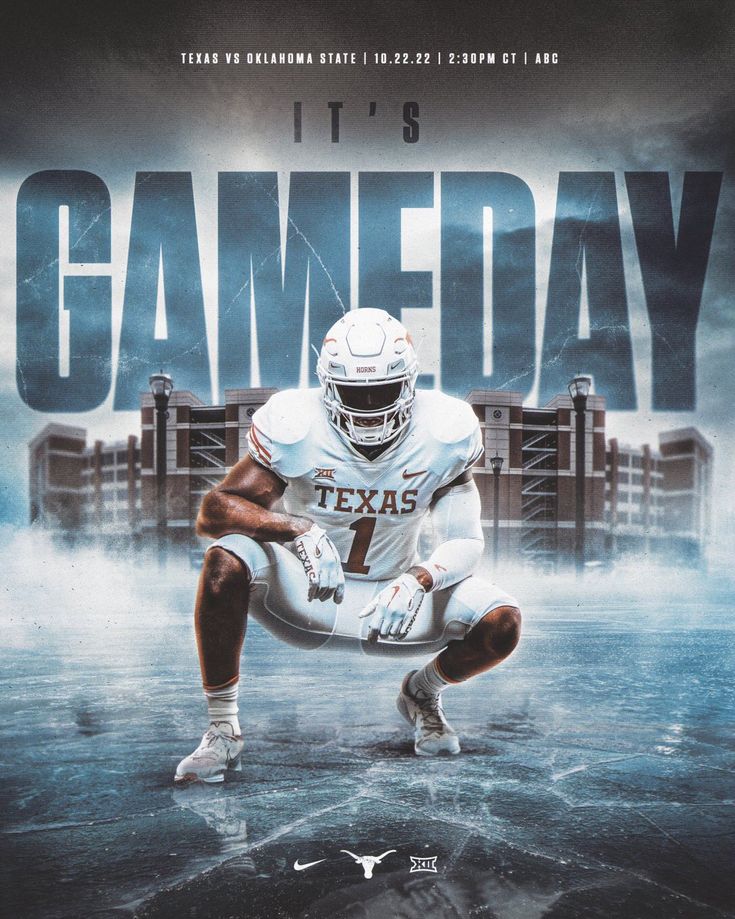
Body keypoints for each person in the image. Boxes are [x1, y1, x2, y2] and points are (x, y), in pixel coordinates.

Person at [175, 308, 521, 784]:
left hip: (393, 601)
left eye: (384, 390)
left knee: (501, 624)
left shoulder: (444, 430)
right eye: (355, 393)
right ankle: (222, 727)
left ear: (410, 383)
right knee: (225, 560)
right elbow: (215, 510)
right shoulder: (296, 421)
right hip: (308, 592)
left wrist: (419, 579)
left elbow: (464, 540)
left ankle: (422, 692)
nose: (371, 407)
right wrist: (297, 530)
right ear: (327, 386)